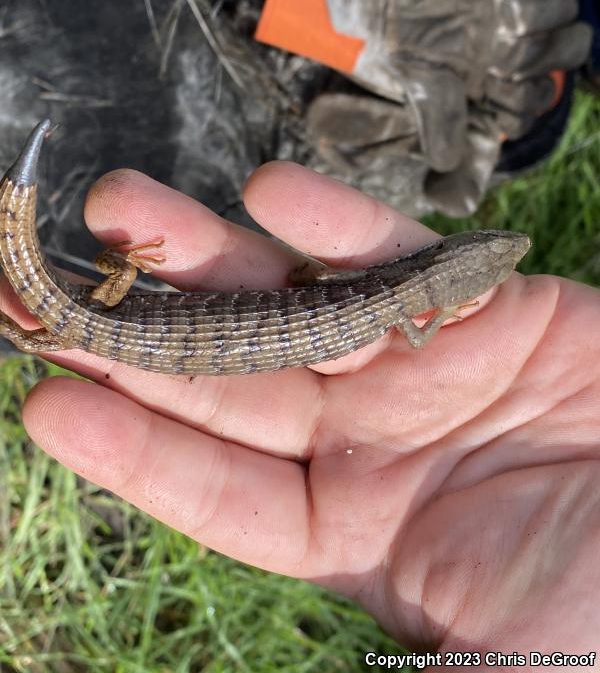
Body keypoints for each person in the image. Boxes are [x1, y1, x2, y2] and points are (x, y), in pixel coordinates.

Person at [2, 159, 599, 659]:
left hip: (139, 323)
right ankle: (43, 306)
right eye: (493, 252)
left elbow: (303, 273)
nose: (510, 249)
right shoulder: (395, 319)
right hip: (159, 337)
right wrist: (438, 318)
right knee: (56, 323)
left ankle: (44, 288)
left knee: (61, 317)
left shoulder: (365, 284)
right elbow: (412, 333)